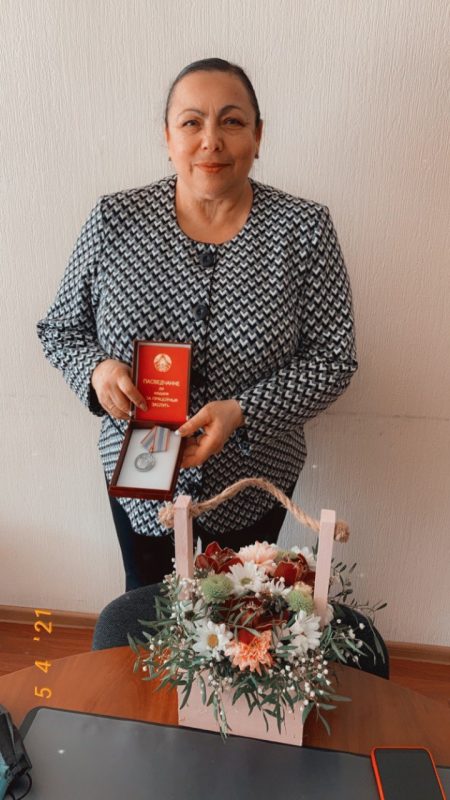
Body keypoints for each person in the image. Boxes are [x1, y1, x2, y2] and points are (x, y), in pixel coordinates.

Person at [37, 58, 358, 591]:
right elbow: (61, 329)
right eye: (191, 122)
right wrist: (97, 371)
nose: (211, 140)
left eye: (232, 121)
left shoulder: (303, 230)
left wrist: (243, 412)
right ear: (168, 137)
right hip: (141, 471)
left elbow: (334, 358)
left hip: (252, 479)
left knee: (237, 612)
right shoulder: (115, 220)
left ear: (258, 136)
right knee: (147, 603)